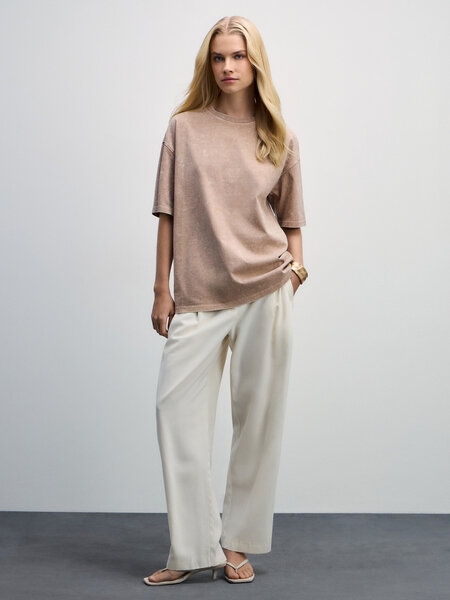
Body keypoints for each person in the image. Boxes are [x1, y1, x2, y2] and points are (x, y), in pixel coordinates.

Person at [144, 15, 308, 586]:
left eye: (239, 56)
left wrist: (296, 270)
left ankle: (236, 544)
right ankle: (192, 549)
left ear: (255, 62)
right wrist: (162, 288)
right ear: (208, 64)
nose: (228, 67)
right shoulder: (183, 128)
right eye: (219, 57)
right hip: (198, 294)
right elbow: (167, 213)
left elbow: (291, 218)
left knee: (258, 421)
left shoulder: (278, 135)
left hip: (266, 290)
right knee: (175, 413)